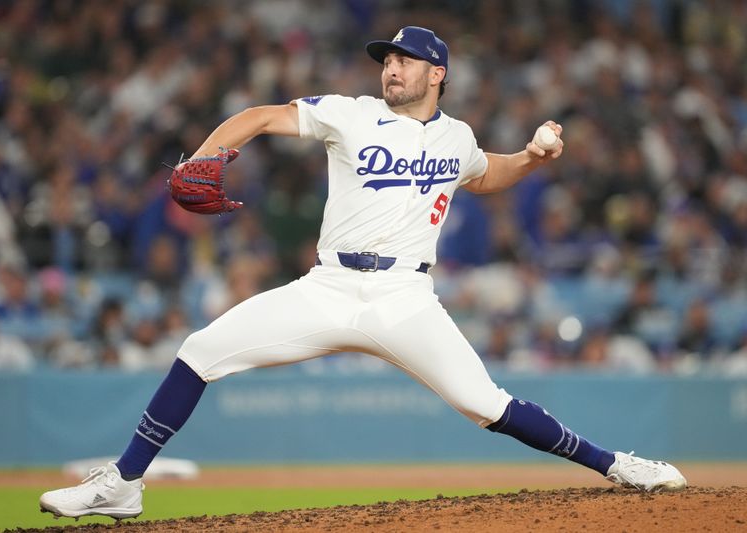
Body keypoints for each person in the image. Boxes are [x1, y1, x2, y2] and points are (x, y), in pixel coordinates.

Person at [39, 26, 686, 520]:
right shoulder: (349, 113)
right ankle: (124, 483)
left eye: (403, 60)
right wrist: (212, 153)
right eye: (386, 60)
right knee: (200, 349)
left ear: (437, 73)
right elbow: (263, 116)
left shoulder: (454, 137)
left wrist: (533, 157)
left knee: (486, 404)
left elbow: (489, 174)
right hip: (327, 288)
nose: (390, 68)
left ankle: (617, 464)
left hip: (404, 295)